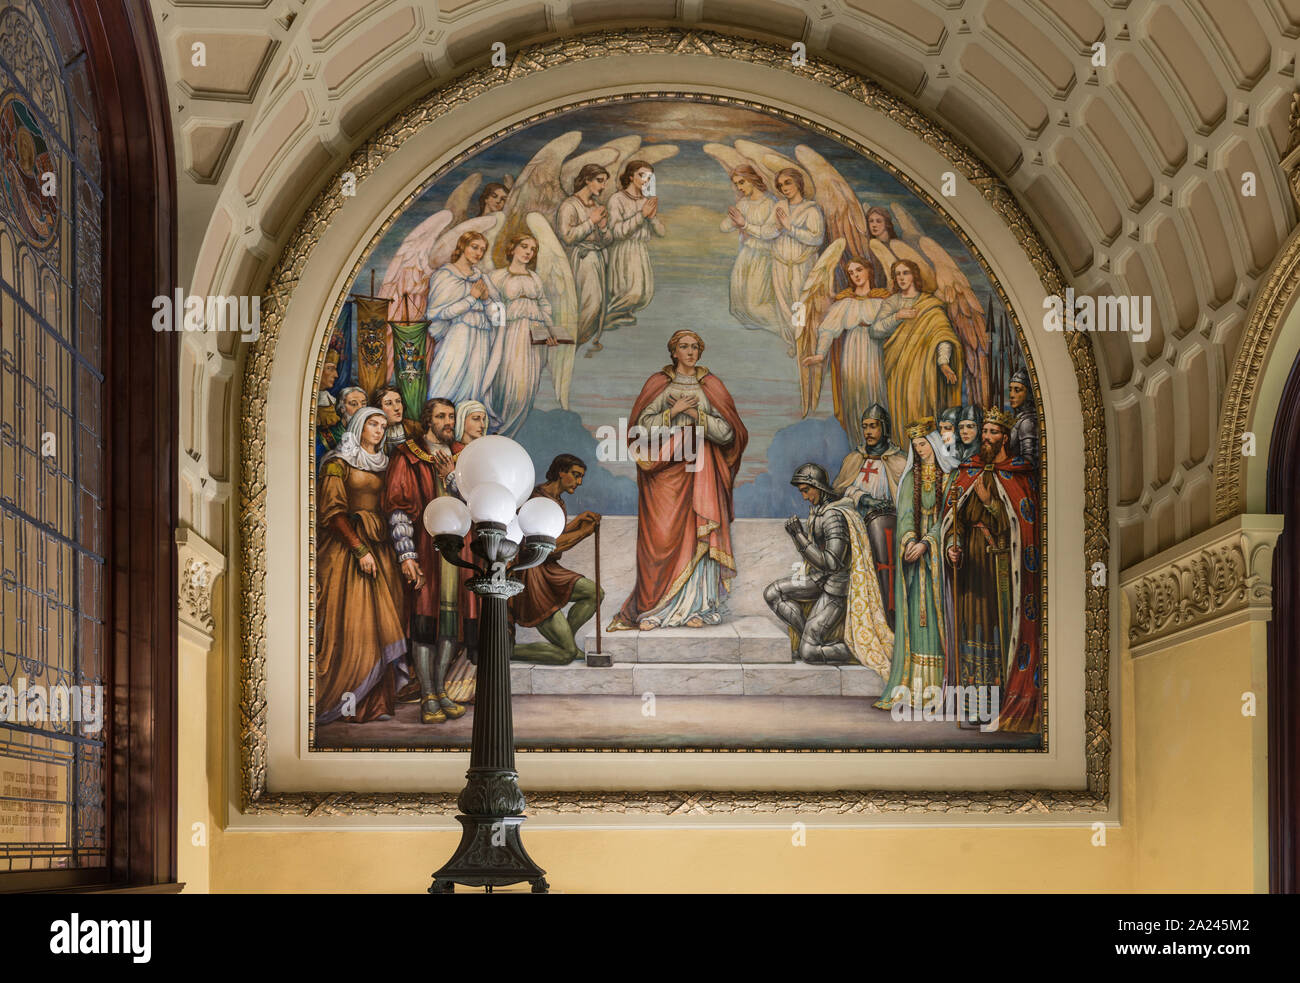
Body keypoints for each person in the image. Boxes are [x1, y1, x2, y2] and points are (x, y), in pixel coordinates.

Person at [609, 330, 748, 631]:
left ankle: (700, 606)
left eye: (695, 347)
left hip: (701, 471)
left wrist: (698, 416)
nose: (690, 352)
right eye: (684, 347)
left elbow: (728, 433)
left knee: (699, 529)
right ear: (673, 351)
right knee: (662, 538)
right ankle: (656, 610)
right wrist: (672, 412)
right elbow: (639, 431)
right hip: (663, 477)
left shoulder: (711, 386)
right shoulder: (659, 384)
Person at [941, 407, 1041, 732]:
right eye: (984, 432)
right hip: (972, 569)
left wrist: (989, 503)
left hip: (1002, 570)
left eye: (993, 432)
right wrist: (952, 545)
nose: (986, 438)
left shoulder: (1018, 476)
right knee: (973, 634)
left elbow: (1022, 527)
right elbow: (954, 518)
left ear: (1005, 438)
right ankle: (974, 709)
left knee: (999, 637)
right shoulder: (967, 471)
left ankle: (999, 705)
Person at [315, 407, 408, 725]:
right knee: (356, 624)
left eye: (383, 426)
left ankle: (375, 704)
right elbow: (332, 511)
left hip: (382, 550)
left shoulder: (386, 465)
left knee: (383, 623)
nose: (380, 430)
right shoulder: (338, 464)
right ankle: (346, 698)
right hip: (348, 553)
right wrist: (358, 549)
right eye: (373, 424)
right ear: (358, 425)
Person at [382, 397, 472, 724]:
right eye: (441, 417)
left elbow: (475, 503)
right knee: (424, 623)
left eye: (451, 416)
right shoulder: (407, 456)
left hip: (457, 556)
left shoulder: (464, 455)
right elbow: (398, 509)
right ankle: (427, 694)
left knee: (450, 623)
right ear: (428, 421)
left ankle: (441, 690)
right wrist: (407, 555)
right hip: (424, 550)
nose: (448, 422)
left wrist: (451, 477)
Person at [764, 464, 893, 672]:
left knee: (809, 653)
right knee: (772, 593)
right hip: (818, 579)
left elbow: (832, 563)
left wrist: (798, 535)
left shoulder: (833, 516)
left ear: (818, 487)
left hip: (836, 588)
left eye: (807, 491)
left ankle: (856, 649)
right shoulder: (819, 510)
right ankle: (810, 632)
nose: (804, 497)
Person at [874, 419, 960, 713]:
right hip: (916, 562)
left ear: (935, 444)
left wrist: (929, 542)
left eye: (924, 444)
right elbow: (906, 515)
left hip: (938, 558)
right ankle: (912, 688)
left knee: (939, 620)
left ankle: (940, 690)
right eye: (916, 446)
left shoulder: (950, 477)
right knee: (916, 619)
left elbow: (950, 518)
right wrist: (909, 540)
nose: (920, 450)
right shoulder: (910, 478)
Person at [512, 455, 603, 664]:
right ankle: (510, 651)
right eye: (576, 475)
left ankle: (566, 641)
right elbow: (548, 545)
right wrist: (583, 532)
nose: (579, 482)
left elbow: (554, 533)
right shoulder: (536, 500)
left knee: (594, 594)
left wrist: (578, 522)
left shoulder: (557, 501)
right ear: (561, 472)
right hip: (531, 575)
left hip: (548, 569)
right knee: (566, 655)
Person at [831, 404, 906, 628]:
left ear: (884, 427)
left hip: (889, 533)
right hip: (857, 531)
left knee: (888, 578)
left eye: (873, 426)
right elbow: (840, 489)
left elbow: (905, 497)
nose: (868, 432)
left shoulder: (899, 461)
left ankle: (891, 624)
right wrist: (863, 498)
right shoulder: (854, 459)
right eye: (865, 427)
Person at [874, 259, 963, 447]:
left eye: (905, 272)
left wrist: (943, 363)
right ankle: (904, 453)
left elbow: (942, 335)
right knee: (901, 411)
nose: (901, 277)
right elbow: (875, 331)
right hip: (897, 369)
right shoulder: (892, 303)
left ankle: (928, 458)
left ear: (914, 275)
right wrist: (898, 316)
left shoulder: (930, 304)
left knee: (923, 409)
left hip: (924, 371)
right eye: (897, 274)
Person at [799, 256, 891, 435]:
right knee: (855, 392)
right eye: (851, 272)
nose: (856, 275)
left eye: (859, 270)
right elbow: (828, 330)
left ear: (868, 271)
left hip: (877, 349)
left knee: (877, 390)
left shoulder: (883, 299)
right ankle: (859, 439)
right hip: (853, 350)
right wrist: (820, 354)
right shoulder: (845, 301)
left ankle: (883, 438)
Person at [424, 231, 504, 411]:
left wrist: (485, 300)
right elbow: (437, 313)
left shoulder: (483, 278)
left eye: (482, 250)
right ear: (462, 246)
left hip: (481, 338)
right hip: (456, 337)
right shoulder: (445, 275)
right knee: (448, 381)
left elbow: (498, 318)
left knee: (473, 387)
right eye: (474, 247)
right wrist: (471, 298)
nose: (478, 253)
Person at [488, 234, 558, 436]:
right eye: (524, 246)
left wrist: (550, 332)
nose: (529, 252)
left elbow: (544, 306)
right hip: (509, 337)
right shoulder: (498, 276)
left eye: (533, 249)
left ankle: (509, 435)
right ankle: (497, 432)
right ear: (513, 248)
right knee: (508, 387)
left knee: (526, 390)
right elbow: (490, 307)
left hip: (533, 340)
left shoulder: (535, 278)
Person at [556, 163, 612, 352]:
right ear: (587, 180)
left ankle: (578, 344)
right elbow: (567, 236)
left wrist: (603, 227)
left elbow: (606, 241)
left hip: (596, 260)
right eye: (599, 180)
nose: (603, 186)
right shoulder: (569, 205)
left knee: (597, 307)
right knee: (588, 305)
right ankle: (570, 343)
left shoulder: (596, 207)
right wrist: (591, 222)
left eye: (605, 182)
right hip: (580, 260)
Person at [770, 167, 825, 355]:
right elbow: (769, 232)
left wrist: (790, 228)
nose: (784, 188)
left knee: (800, 304)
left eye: (788, 183)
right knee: (783, 304)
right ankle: (792, 341)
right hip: (780, 264)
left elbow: (816, 238)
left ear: (798, 183)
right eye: (780, 185)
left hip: (802, 264)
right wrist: (745, 225)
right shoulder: (779, 207)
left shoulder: (811, 209)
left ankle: (803, 341)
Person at [604, 159, 665, 332]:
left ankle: (622, 314)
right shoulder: (617, 199)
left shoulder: (646, 200)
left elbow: (661, 232)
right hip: (624, 249)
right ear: (631, 176)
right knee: (632, 291)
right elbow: (617, 232)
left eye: (649, 177)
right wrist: (641, 215)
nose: (646, 180)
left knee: (645, 292)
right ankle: (610, 315)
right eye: (642, 175)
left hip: (640, 249)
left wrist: (651, 217)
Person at [720, 165, 781, 335]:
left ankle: (786, 331)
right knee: (738, 305)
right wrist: (734, 220)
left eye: (741, 182)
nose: (739, 187)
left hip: (764, 257)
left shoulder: (771, 203)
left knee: (755, 305)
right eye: (736, 184)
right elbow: (724, 227)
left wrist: (744, 224)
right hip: (746, 255)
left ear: (753, 179)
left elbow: (770, 233)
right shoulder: (744, 203)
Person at [370, 383, 421, 455]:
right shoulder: (374, 432)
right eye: (389, 403)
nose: (396, 408)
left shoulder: (414, 427)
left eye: (398, 401)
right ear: (379, 408)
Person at [1006, 367, 1039, 467]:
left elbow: (1028, 462)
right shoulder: (1020, 418)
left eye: (1017, 390)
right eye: (1010, 389)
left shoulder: (1027, 422)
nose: (1011, 395)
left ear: (1028, 393)